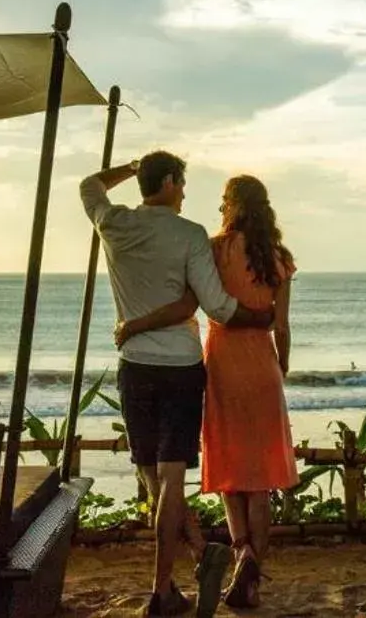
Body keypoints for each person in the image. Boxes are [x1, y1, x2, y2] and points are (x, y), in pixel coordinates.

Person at [81, 150, 274, 617]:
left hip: (134, 366)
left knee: (151, 473)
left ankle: (193, 552)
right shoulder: (188, 235)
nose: (186, 193)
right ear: (168, 182)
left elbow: (89, 184)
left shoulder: (115, 223)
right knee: (167, 478)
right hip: (180, 368)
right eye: (181, 183)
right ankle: (162, 586)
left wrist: (130, 169)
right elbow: (215, 306)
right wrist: (260, 317)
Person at [116, 174, 296, 611]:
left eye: (222, 201)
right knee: (260, 482)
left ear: (231, 205)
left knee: (233, 473)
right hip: (262, 366)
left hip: (221, 366)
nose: (218, 208)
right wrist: (281, 367)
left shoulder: (215, 249)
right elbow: (281, 325)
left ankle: (242, 554)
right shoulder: (279, 258)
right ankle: (250, 580)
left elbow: (198, 302)